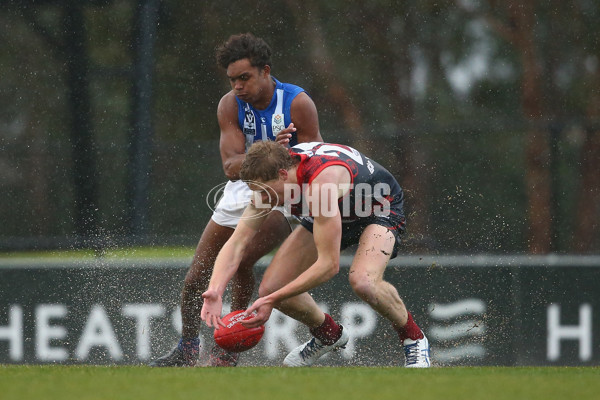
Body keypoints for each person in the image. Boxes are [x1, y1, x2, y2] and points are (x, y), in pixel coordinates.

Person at [150, 33, 322, 367]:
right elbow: (230, 167)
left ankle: (228, 350)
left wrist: (288, 158)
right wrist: (270, 149)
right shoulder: (230, 104)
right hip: (243, 187)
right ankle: (187, 348)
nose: (238, 86)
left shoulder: (297, 103)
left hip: (284, 192)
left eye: (244, 78)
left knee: (241, 262)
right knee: (195, 278)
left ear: (265, 71)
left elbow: (318, 159)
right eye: (232, 80)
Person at [201, 141, 431, 368]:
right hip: (334, 208)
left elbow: (328, 265)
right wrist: (215, 289)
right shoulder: (270, 183)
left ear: (283, 174)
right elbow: (237, 243)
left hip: (378, 207)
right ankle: (328, 334)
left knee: (364, 282)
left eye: (265, 191)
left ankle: (414, 339)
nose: (262, 199)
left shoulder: (320, 187)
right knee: (271, 287)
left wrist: (271, 301)